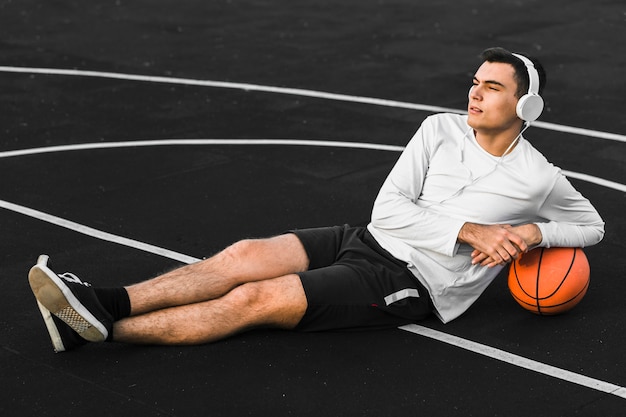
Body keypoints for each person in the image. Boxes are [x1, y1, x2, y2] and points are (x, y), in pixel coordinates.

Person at [28, 47, 605, 352]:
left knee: (256, 298)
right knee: (242, 255)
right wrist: (471, 230)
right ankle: (104, 301)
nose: (474, 94)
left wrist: (535, 233)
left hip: (415, 282)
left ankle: (101, 330)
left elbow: (592, 226)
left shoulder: (538, 178)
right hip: (370, 237)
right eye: (475, 82)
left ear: (526, 107)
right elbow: (389, 211)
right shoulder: (439, 128)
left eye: (492, 87)